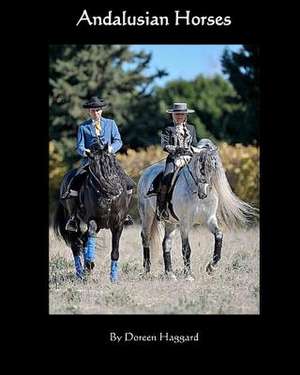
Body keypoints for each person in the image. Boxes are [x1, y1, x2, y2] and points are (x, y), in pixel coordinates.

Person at [62, 96, 135, 232]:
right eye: (93, 110)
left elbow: (118, 141)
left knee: (129, 183)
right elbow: (79, 146)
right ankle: (73, 217)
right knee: (74, 181)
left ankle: (125, 214)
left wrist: (110, 149)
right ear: (89, 111)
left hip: (108, 162)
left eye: (98, 110)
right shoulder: (83, 127)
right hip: (91, 162)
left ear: (101, 110)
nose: (95, 112)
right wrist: (86, 152)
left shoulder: (111, 123)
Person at [157, 102, 199, 221]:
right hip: (174, 159)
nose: (179, 116)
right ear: (173, 115)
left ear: (186, 115)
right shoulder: (168, 128)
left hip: (189, 159)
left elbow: (195, 144)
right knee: (166, 178)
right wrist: (175, 148)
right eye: (177, 114)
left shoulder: (192, 128)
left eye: (182, 114)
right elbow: (164, 145)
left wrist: (194, 150)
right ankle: (161, 209)